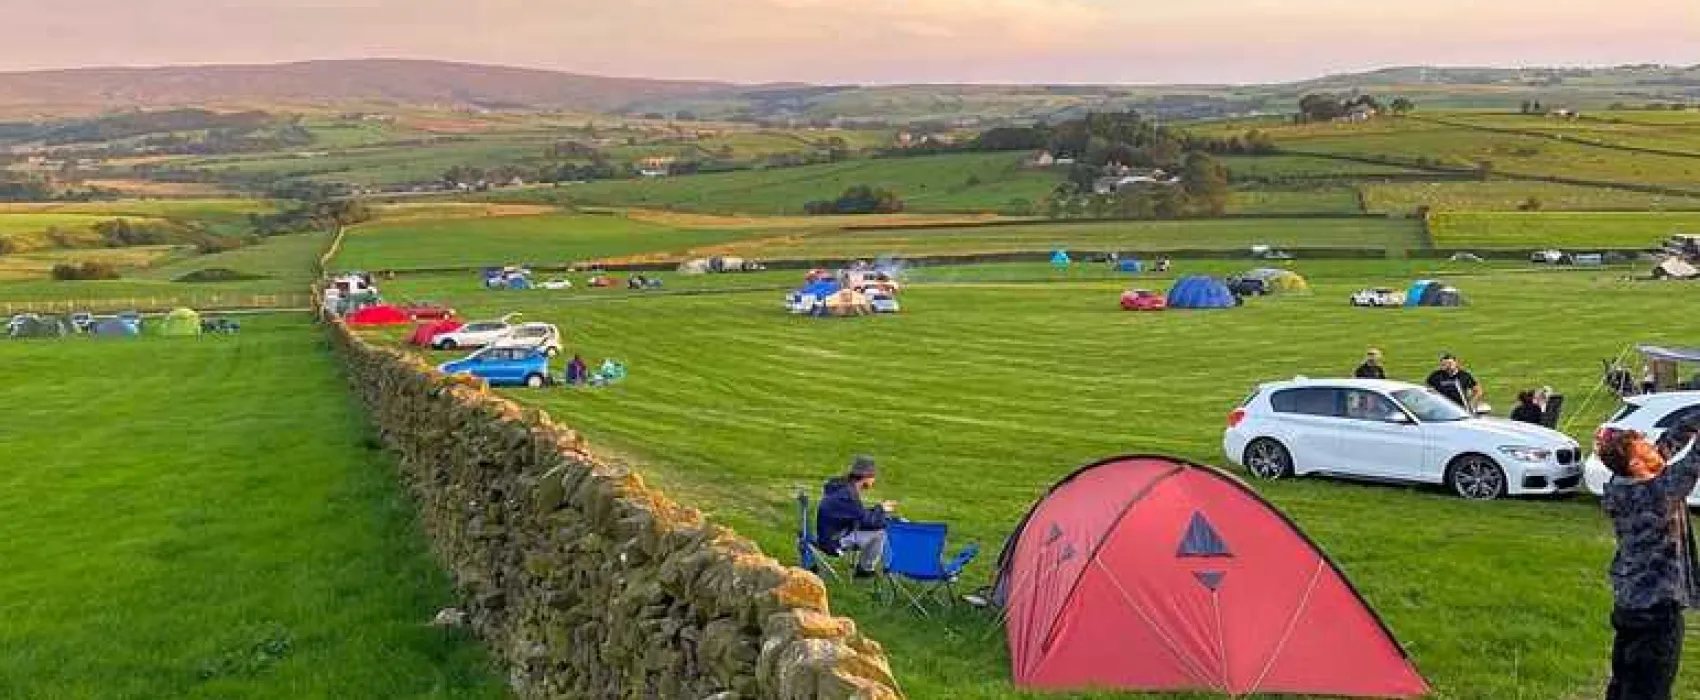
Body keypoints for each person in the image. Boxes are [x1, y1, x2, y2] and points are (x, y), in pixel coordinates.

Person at [1598, 425, 1700, 700]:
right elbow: (1694, 461)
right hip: (1655, 612)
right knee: (1649, 690)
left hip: (1631, 604)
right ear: (1636, 464)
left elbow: (1671, 440)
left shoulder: (1623, 482)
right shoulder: (1656, 494)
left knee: (1625, 683)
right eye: (1646, 447)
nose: (1656, 448)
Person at [815, 456, 897, 579]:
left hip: (830, 532)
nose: (873, 481)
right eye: (873, 477)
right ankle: (865, 570)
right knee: (880, 533)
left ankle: (865, 568)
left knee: (877, 528)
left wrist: (879, 509)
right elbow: (867, 522)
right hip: (833, 541)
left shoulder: (841, 488)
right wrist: (883, 512)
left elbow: (858, 515)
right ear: (865, 477)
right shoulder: (848, 496)